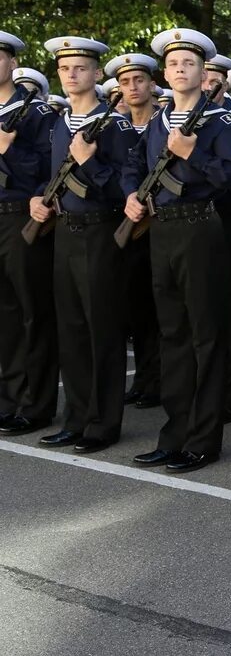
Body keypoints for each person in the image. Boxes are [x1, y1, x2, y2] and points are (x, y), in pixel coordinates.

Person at [121, 27, 231, 473]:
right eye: (174, 64)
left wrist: (194, 155)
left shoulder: (221, 122)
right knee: (173, 336)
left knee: (205, 336)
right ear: (165, 73)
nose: (181, 70)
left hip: (202, 230)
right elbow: (134, 164)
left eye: (189, 64)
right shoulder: (159, 121)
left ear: (204, 73)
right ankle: (174, 434)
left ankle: (204, 439)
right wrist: (130, 194)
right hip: (162, 231)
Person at [32, 36, 138, 453]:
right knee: (72, 330)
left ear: (97, 74)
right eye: (64, 69)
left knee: (101, 331)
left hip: (100, 231)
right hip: (65, 231)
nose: (71, 75)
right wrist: (41, 198)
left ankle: (102, 423)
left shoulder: (114, 124)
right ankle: (76, 418)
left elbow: (124, 188)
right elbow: (51, 174)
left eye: (80, 68)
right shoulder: (60, 122)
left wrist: (89, 161)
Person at [0, 33, 58, 438]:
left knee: (31, 311)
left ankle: (36, 405)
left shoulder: (37, 112)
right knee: (4, 315)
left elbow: (48, 169)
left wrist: (8, 150)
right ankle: (8, 399)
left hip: (22, 216)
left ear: (12, 62)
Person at [105, 52, 162, 411]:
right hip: (128, 226)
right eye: (125, 82)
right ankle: (143, 379)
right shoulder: (117, 128)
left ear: (152, 84)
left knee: (162, 311)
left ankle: (159, 381)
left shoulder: (164, 123)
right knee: (137, 308)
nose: (132, 88)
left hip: (161, 226)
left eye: (138, 80)